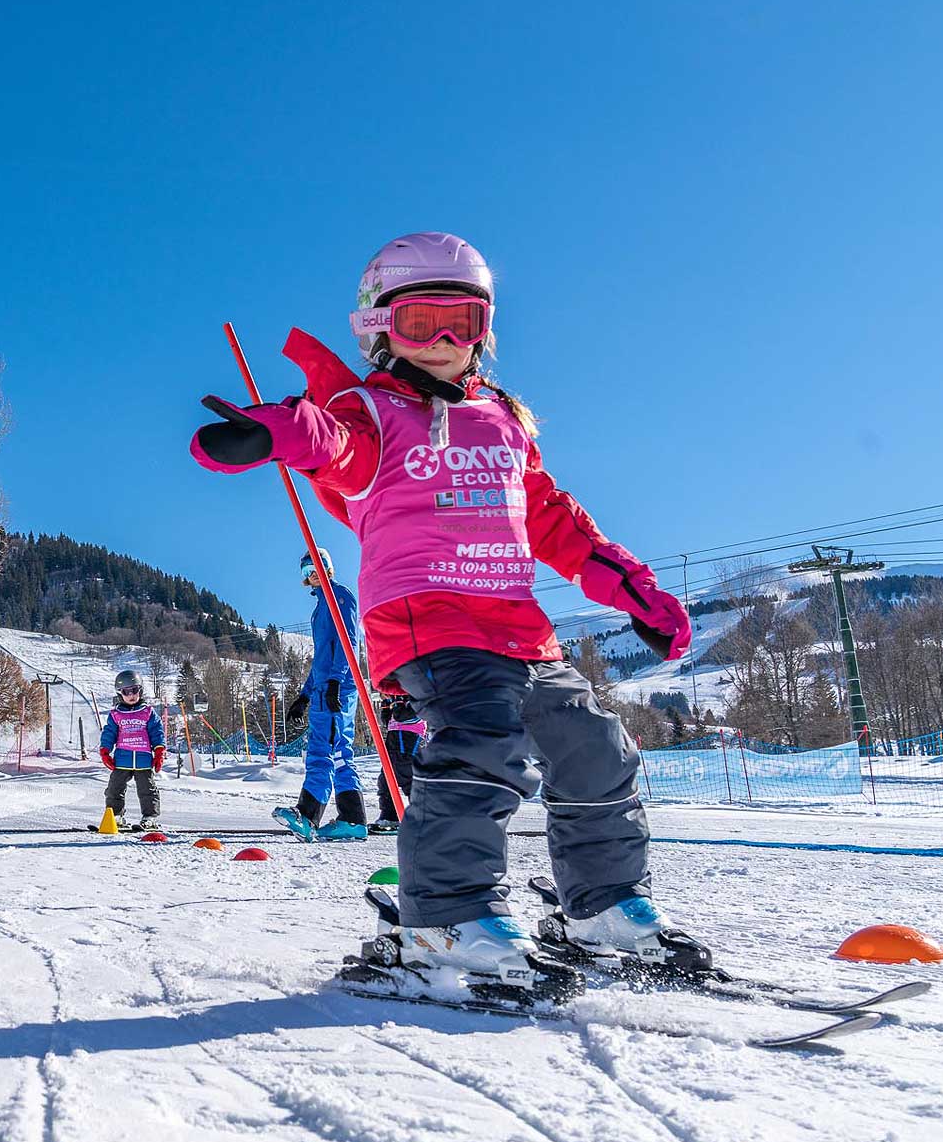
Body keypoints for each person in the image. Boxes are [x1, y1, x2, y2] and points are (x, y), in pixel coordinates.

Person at [189, 231, 695, 984]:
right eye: (425, 324)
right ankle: (447, 917)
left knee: (597, 747)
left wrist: (634, 591)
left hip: (520, 629)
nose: (448, 341)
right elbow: (337, 446)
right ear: (380, 328)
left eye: (467, 322)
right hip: (429, 620)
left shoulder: (504, 423)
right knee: (484, 742)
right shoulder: (373, 411)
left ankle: (603, 905)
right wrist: (284, 429)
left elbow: (554, 519)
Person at [273, 549, 368, 842]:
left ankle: (313, 815)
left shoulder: (340, 596)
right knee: (325, 750)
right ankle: (347, 818)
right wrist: (304, 696)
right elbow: (321, 659)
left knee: (332, 750)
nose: (312, 574)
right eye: (306, 571)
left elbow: (348, 642)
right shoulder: (320, 608)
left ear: (328, 567)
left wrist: (337, 682)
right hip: (323, 686)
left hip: (337, 687)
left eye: (316, 567)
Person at [99, 669, 165, 830]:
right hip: (122, 759)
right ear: (120, 693)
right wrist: (105, 751)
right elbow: (109, 733)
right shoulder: (116, 714)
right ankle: (115, 815)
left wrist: (159, 751)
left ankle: (150, 817)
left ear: (140, 690)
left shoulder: (148, 712)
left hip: (143, 759)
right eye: (126, 692)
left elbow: (157, 732)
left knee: (147, 789)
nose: (131, 695)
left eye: (134, 690)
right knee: (114, 788)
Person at [371, 694, 424, 834]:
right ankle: (390, 816)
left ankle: (423, 817)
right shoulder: (397, 700)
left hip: (407, 749)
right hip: (393, 747)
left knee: (410, 782)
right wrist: (386, 704)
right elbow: (387, 721)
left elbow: (402, 715)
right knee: (385, 783)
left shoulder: (417, 700)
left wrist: (397, 700)